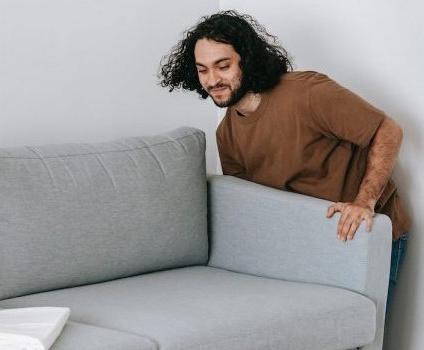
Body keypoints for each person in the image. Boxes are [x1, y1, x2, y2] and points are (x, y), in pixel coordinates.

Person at [159, 10, 409, 311]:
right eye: (203, 70)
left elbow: (387, 130)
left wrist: (364, 201)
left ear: (246, 60)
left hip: (369, 233)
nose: (213, 80)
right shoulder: (226, 133)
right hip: (309, 247)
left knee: (362, 335)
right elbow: (252, 208)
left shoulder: (307, 93)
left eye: (223, 66)